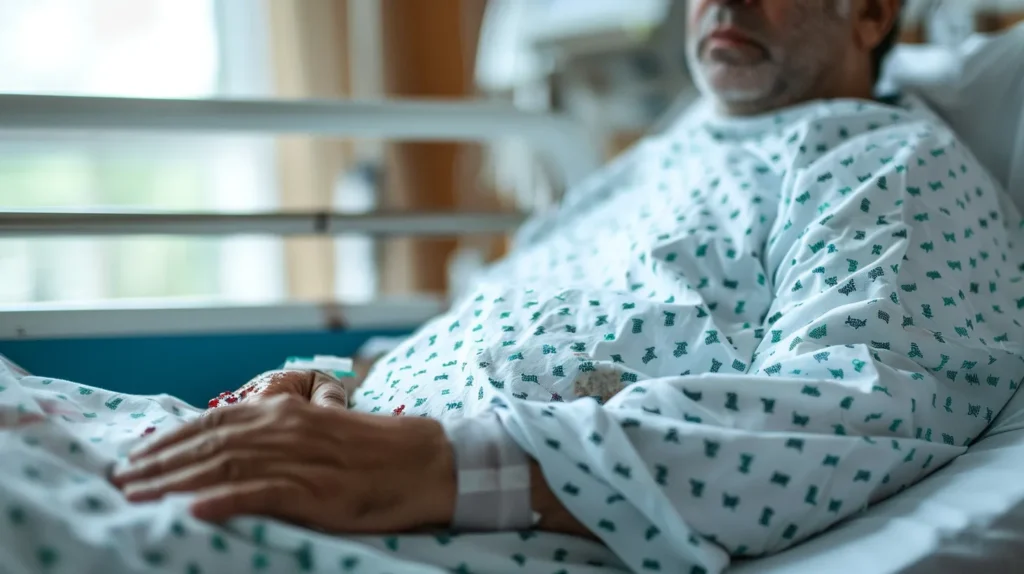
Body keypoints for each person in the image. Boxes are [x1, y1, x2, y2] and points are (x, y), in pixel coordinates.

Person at [6, 1, 1024, 573]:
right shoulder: (640, 169)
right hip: (331, 452)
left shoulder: (884, 161)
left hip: (449, 524)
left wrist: (440, 465)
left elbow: (858, 409)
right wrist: (323, 383)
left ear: (872, 11)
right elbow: (484, 324)